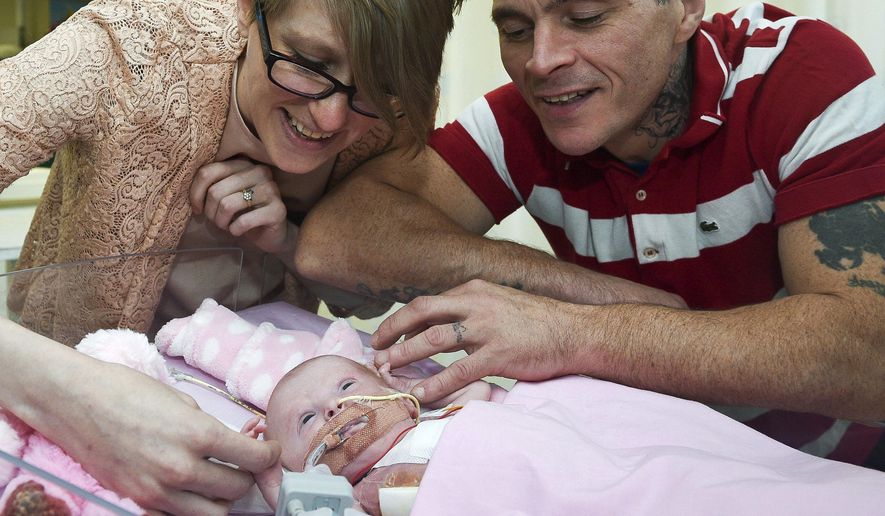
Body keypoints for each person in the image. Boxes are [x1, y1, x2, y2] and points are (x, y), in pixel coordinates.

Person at [294, 0, 885, 469]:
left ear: (684, 8)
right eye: (516, 28)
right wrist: (599, 298)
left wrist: (571, 332)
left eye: (585, 17)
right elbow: (337, 239)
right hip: (647, 467)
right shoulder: (530, 118)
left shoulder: (802, 76)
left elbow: (868, 356)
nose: (541, 61)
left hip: (840, 467)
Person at [0, 0, 463, 512]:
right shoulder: (127, 50)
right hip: (60, 385)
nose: (332, 118)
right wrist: (65, 390)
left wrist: (287, 241)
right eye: (309, 63)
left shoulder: (392, 113)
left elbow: (361, 297)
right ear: (251, 11)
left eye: (375, 87)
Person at [242, 354, 505, 513]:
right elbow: (303, 509)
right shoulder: (354, 498)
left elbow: (478, 390)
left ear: (399, 400)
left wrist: (406, 388)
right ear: (304, 473)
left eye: (346, 386)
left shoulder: (438, 419)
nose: (333, 406)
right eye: (307, 419)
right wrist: (273, 483)